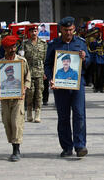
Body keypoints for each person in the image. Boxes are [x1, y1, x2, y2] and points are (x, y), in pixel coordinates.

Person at [45, 16, 90, 158]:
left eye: (71, 30)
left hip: (77, 85)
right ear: (61, 30)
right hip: (60, 86)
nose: (68, 33)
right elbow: (48, 64)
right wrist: (51, 79)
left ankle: (80, 145)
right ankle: (66, 147)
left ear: (74, 29)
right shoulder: (54, 44)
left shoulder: (81, 43)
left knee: (79, 115)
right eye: (65, 30)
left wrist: (85, 58)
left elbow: (89, 62)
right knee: (63, 117)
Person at [0, 35, 31, 162]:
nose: (12, 49)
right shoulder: (1, 64)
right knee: (7, 122)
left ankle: (16, 149)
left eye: (13, 47)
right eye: (9, 47)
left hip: (18, 97)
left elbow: (28, 78)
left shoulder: (22, 61)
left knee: (16, 122)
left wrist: (24, 89)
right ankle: (12, 143)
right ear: (5, 48)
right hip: (5, 98)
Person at [24, 24, 47, 123]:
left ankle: (37, 113)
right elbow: (22, 59)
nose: (34, 33)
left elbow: (45, 59)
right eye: (32, 31)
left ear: (38, 32)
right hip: (29, 71)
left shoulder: (43, 43)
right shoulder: (25, 44)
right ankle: (29, 112)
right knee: (29, 93)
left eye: (35, 31)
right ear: (29, 33)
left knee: (39, 94)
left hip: (40, 71)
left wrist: (45, 72)